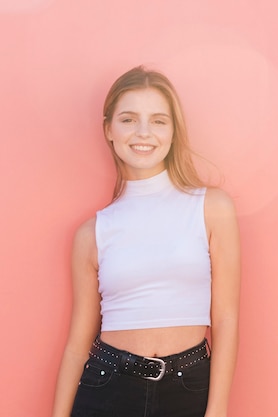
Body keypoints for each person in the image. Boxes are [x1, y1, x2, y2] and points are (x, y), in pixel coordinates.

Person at [52, 66, 240, 417]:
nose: (143, 132)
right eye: (128, 119)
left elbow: (226, 317)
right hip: (107, 386)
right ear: (109, 129)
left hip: (189, 386)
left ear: (173, 131)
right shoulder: (91, 233)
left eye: (157, 120)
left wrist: (217, 411)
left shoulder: (211, 207)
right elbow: (78, 346)